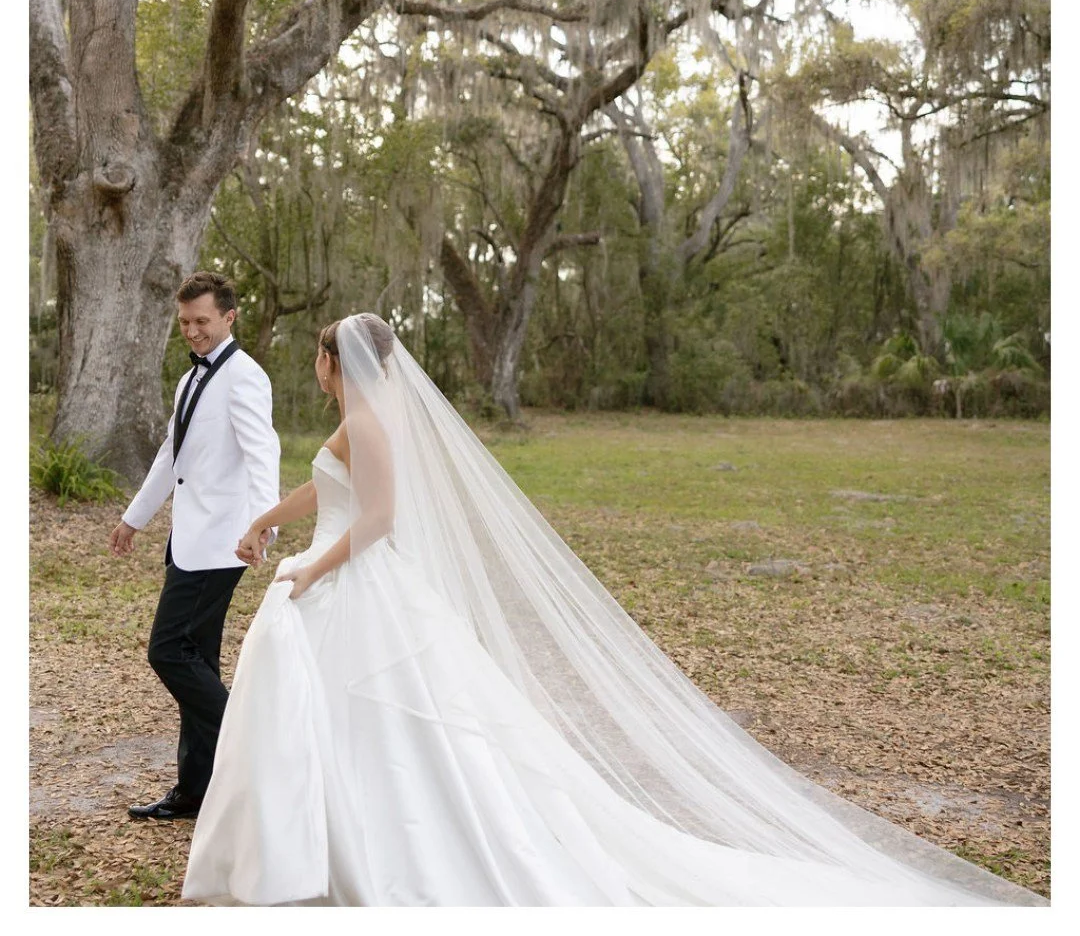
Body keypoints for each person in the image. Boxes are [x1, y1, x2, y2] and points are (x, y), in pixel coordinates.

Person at [182, 313, 1045, 906]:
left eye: (321, 354)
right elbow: (328, 488)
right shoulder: (358, 417)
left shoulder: (371, 423)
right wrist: (269, 520)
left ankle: (384, 854)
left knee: (394, 728)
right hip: (339, 581)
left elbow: (376, 521)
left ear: (341, 362)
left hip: (361, 588)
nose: (317, 366)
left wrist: (306, 571)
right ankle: (317, 846)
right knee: (344, 723)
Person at [109, 271, 280, 822]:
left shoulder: (246, 377)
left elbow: (263, 454)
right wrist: (135, 518)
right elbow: (171, 457)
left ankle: (253, 749)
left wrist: (262, 527)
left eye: (202, 321)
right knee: (198, 659)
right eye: (185, 322)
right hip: (189, 537)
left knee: (169, 651)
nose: (193, 331)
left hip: (223, 543)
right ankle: (197, 790)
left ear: (229, 317)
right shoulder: (189, 381)